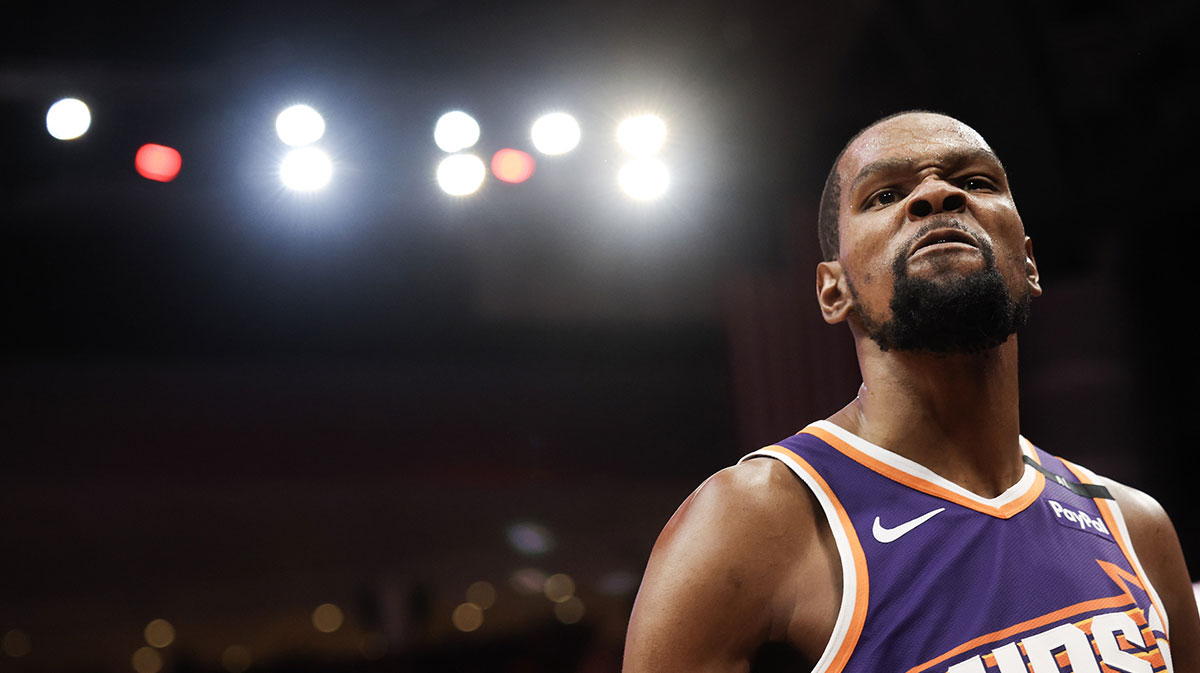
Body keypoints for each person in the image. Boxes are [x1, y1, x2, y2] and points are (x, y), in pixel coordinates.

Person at [622, 111, 1199, 672]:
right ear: (833, 290)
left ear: (1028, 262)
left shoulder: (1136, 526)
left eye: (974, 182)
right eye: (883, 195)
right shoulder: (749, 523)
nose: (935, 196)